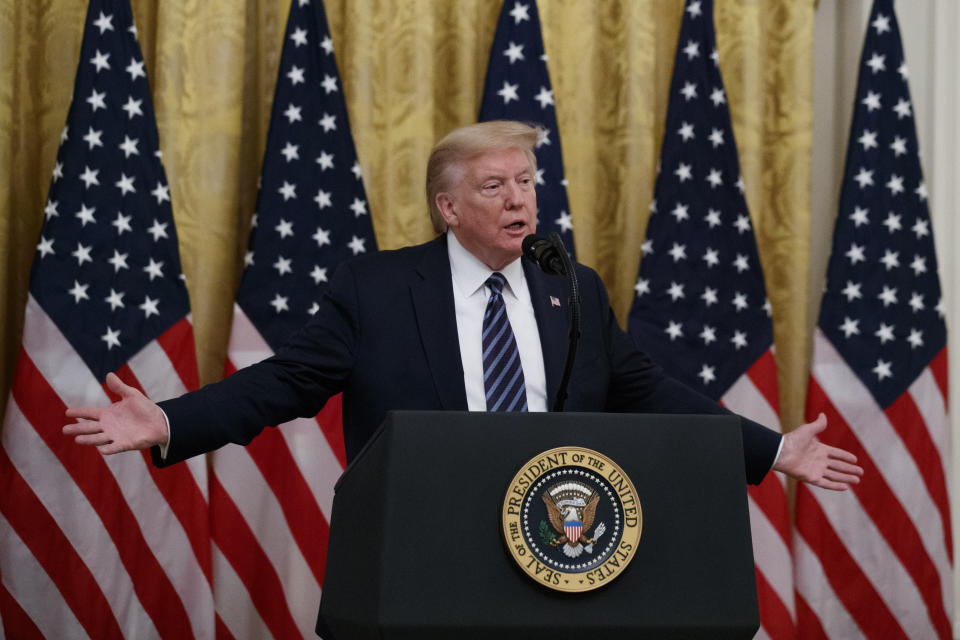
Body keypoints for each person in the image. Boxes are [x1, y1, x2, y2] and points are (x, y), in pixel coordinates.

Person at [64, 120, 862, 489]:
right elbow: (283, 383)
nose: (520, 201)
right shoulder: (375, 289)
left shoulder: (569, 286)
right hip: (421, 544)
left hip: (558, 535)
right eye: (495, 187)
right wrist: (169, 421)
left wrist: (770, 448)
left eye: (526, 183)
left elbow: (643, 388)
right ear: (448, 209)